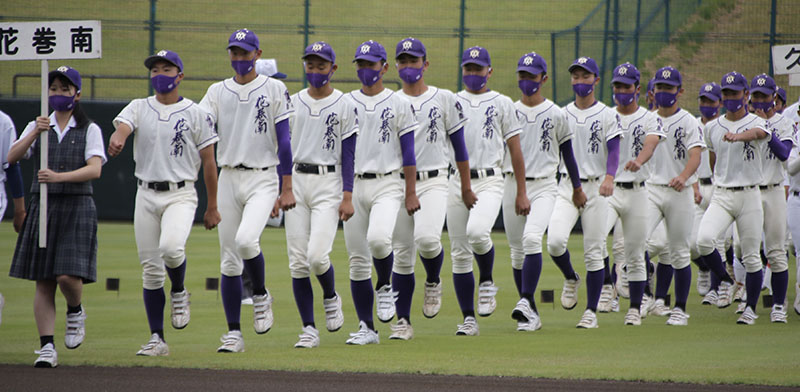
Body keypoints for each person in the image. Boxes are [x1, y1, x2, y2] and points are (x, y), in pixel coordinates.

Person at [108, 50, 221, 355]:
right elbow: (124, 126)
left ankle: (180, 290)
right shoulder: (139, 106)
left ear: (180, 76)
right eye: (155, 69)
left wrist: (212, 206)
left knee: (171, 249)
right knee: (150, 270)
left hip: (181, 193)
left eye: (166, 69)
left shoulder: (196, 113)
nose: (159, 73)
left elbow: (209, 162)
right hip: (145, 192)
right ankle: (157, 339)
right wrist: (118, 137)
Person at [199, 28, 295, 352]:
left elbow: (284, 142)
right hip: (228, 175)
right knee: (228, 261)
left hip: (263, 177)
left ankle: (261, 294)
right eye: (234, 52)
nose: (239, 58)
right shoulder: (216, 91)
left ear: (257, 53)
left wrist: (286, 187)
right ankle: (233, 333)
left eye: (245, 52)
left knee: (245, 240)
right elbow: (200, 126)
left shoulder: (274, 88)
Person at [8, 66, 106, 367]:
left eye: (65, 89)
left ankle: (75, 309)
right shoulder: (39, 124)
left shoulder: (89, 129)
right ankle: (47, 346)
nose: (59, 95)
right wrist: (35, 132)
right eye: (54, 89)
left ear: (77, 94)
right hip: (43, 205)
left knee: (67, 275)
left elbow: (95, 169)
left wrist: (59, 177)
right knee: (44, 279)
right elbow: (11, 157)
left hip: (76, 204)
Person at [390, 37, 474, 340]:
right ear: (396, 65)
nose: (409, 66)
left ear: (425, 63)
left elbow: (460, 148)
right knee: (401, 254)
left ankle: (434, 278)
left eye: (414, 60)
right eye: (403, 60)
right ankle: (402, 321)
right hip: (396, 182)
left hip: (435, 179)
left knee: (427, 240)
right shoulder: (391, 101)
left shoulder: (444, 98)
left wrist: (465, 186)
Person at [343, 39, 420, 345]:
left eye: (371, 64)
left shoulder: (399, 104)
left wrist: (411, 192)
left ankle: (385, 285)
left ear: (384, 67)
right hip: (354, 183)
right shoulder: (346, 102)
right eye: (360, 64)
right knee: (357, 260)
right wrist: (344, 191)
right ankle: (367, 328)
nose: (365, 70)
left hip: (389, 182)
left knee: (378, 240)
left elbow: (410, 153)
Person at [449, 46, 529, 336]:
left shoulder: (503, 103)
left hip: (490, 179)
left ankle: (486, 279)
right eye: (468, 68)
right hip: (455, 180)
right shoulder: (451, 101)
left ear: (489, 71)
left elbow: (516, 152)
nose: (472, 73)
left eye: (478, 68)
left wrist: (521, 191)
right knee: (459, 253)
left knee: (478, 232)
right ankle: (468, 319)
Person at [505, 52, 583, 331]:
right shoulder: (509, 110)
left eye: (532, 75)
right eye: (522, 75)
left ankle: (525, 299)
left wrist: (576, 188)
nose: (526, 80)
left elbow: (568, 155)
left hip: (544, 185)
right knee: (516, 252)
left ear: (544, 78)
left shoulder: (556, 113)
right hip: (512, 184)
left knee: (531, 238)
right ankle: (532, 314)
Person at [284, 41, 354, 348]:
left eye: (321, 65)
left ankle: (330, 295)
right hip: (297, 180)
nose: (315, 70)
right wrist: (281, 186)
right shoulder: (292, 101)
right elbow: (282, 149)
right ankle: (308, 329)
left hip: (328, 181)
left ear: (333, 68)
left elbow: (349, 154)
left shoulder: (344, 104)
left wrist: (348, 194)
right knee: (298, 261)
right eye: (310, 65)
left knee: (316, 256)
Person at [546, 56, 621, 329]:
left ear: (596, 80)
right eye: (576, 76)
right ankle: (570, 277)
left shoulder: (607, 114)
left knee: (594, 250)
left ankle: (590, 312)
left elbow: (614, 151)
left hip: (597, 185)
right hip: (567, 184)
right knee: (554, 241)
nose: (580, 81)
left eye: (585, 76)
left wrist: (610, 176)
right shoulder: (562, 114)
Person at [697, 71, 770, 325]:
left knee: (750, 255)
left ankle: (750, 308)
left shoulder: (757, 121)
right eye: (725, 93)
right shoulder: (712, 127)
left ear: (746, 95)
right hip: (722, 194)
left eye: (734, 93)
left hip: (750, 194)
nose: (729, 97)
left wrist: (739, 136)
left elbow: (759, 134)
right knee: (704, 241)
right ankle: (727, 281)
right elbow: (713, 156)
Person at [642, 66, 704, 325]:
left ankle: (679, 308)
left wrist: (684, 177)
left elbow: (696, 155)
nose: (664, 92)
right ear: (653, 90)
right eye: (660, 87)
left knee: (679, 252)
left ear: (680, 91)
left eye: (669, 88)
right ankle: (643, 296)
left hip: (679, 192)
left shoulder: (689, 121)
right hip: (651, 189)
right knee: (636, 243)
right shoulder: (646, 118)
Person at [602, 62, 663, 325]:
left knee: (635, 251)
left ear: (637, 89)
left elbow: (651, 143)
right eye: (617, 85)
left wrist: (639, 160)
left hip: (637, 189)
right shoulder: (605, 115)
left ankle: (636, 308)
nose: (621, 90)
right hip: (609, 189)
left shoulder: (649, 117)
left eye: (626, 85)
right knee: (596, 242)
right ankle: (607, 289)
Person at [749, 73, 794, 323]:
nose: (759, 100)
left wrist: (765, 128)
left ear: (774, 97)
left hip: (775, 190)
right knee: (747, 250)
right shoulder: (744, 121)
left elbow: (784, 153)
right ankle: (749, 304)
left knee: (776, 251)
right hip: (750, 191)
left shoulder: (783, 123)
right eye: (755, 95)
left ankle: (778, 305)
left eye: (764, 95)